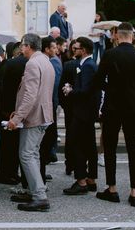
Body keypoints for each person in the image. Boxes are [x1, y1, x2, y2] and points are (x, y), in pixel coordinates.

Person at [93, 22, 135, 207]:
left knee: (110, 146)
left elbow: (98, 80)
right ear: (133, 36)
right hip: (134, 106)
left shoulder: (110, 55)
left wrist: (111, 89)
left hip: (113, 105)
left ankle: (112, 188)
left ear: (117, 35)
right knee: (133, 146)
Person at [6, 33, 55, 212]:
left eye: (23, 46)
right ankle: (35, 191)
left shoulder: (33, 63)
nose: (21, 49)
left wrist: (17, 118)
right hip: (44, 114)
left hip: (34, 116)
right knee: (33, 154)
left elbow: (30, 95)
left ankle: (40, 196)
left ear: (28, 46)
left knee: (27, 155)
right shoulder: (46, 61)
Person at [62, 37, 100, 195]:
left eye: (76, 48)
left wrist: (70, 91)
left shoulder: (88, 66)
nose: (73, 50)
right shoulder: (87, 65)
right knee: (89, 145)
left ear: (83, 50)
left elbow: (86, 91)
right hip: (87, 113)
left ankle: (81, 180)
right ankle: (91, 178)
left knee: (76, 144)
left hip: (82, 113)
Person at [0, 42, 26, 184]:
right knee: (11, 145)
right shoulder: (15, 64)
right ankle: (8, 173)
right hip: (10, 110)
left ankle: (8, 173)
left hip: (6, 109)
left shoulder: (7, 65)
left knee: (8, 144)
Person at [39, 37, 61, 180]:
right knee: (46, 138)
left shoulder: (53, 62)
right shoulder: (50, 63)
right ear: (46, 49)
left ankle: (43, 166)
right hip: (49, 104)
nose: (56, 49)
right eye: (53, 47)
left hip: (50, 103)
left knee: (47, 138)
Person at [58, 40, 79, 176]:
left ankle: (71, 163)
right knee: (73, 136)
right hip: (71, 105)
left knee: (72, 136)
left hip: (72, 105)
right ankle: (71, 163)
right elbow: (62, 87)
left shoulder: (69, 64)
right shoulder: (69, 64)